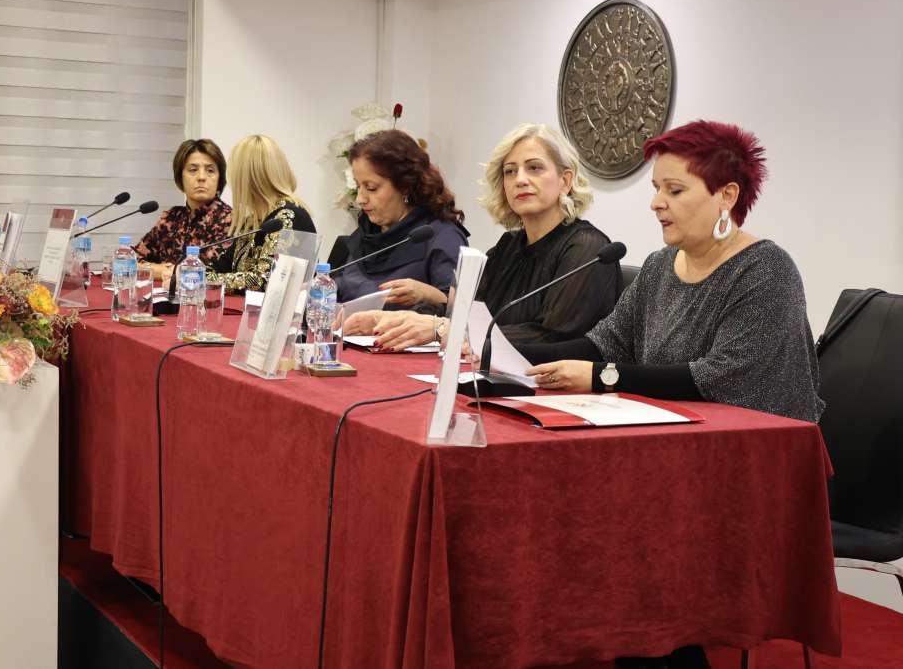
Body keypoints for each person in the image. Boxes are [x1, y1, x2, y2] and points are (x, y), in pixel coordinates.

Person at [521, 121, 824, 668]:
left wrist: (602, 378)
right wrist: (499, 352)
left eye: (674, 190)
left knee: (616, 520)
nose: (657, 203)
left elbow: (716, 378)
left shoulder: (767, 270)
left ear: (726, 195)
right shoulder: (662, 267)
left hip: (755, 471)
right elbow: (602, 343)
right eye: (656, 189)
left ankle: (657, 651)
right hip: (671, 455)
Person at [345, 123, 621, 350]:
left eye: (534, 168)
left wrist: (443, 329)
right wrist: (392, 320)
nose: (520, 179)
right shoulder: (507, 247)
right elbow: (467, 314)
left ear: (565, 181)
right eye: (510, 171)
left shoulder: (589, 249)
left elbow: (554, 337)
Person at [334, 130, 469, 312]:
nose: (360, 199)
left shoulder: (442, 237)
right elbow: (341, 288)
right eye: (358, 186)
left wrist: (428, 294)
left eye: (371, 188)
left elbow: (459, 313)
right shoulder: (368, 231)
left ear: (404, 186)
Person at [209, 134, 316, 292]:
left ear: (246, 178)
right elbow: (221, 267)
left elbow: (264, 281)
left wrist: (201, 279)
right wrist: (192, 272)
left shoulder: (288, 217)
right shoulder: (253, 221)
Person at [134, 138, 232, 280]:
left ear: (219, 179)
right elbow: (128, 261)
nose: (201, 177)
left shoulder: (230, 221)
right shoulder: (171, 218)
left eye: (210, 170)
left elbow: (204, 274)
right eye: (193, 170)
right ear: (180, 177)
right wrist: (162, 271)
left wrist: (167, 271)